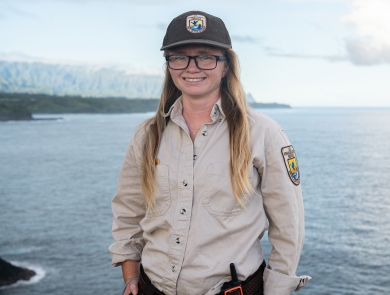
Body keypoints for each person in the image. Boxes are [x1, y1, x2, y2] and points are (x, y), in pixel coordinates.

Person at [109, 10, 311, 295]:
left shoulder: (263, 133)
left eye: (206, 56)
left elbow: (289, 227)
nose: (191, 68)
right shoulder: (147, 135)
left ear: (226, 66)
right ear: (169, 66)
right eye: (179, 57)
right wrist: (130, 278)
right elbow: (128, 212)